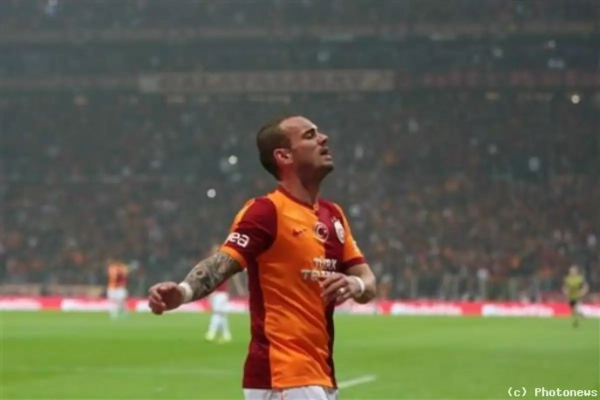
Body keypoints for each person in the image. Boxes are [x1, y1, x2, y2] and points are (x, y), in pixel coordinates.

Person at [148, 115, 377, 400]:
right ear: (283, 155)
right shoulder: (266, 211)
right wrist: (183, 292)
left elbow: (368, 281)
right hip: (281, 373)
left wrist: (356, 284)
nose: (323, 138)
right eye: (310, 135)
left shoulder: (334, 215)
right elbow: (223, 262)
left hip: (321, 372)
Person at [204, 244, 246, 343]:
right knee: (222, 314)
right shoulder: (213, 264)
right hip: (214, 293)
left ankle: (211, 333)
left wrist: (239, 288)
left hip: (221, 294)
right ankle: (226, 334)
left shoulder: (225, 263)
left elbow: (234, 276)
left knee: (217, 313)